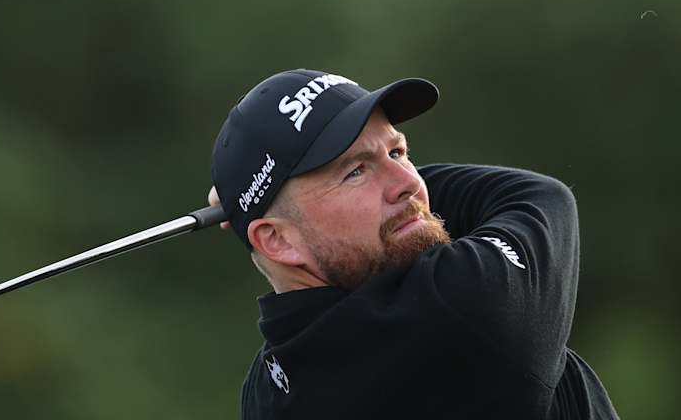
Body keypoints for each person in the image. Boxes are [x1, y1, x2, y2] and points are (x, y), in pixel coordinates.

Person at [207, 69, 619, 419]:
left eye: (398, 152)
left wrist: (261, 203)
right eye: (355, 172)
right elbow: (537, 196)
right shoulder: (461, 307)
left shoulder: (267, 391)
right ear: (278, 240)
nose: (410, 181)